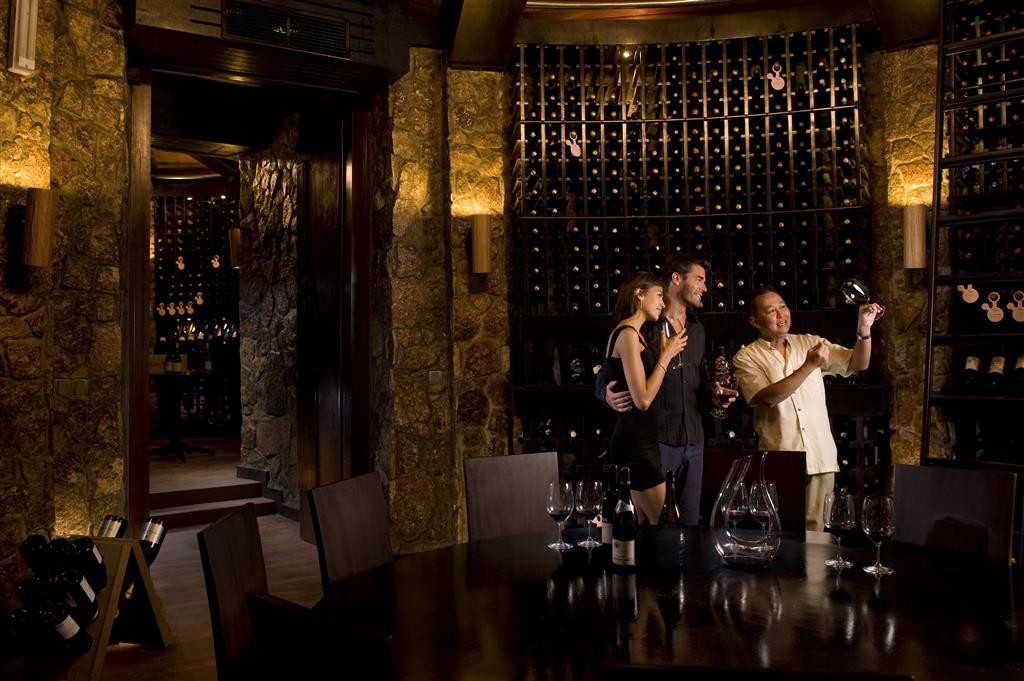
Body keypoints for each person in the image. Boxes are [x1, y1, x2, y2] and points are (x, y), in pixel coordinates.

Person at [732, 288, 882, 531]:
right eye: (771, 310)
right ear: (754, 321)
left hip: (819, 455)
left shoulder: (810, 342)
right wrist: (809, 366)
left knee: (815, 532)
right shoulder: (746, 357)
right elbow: (768, 397)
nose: (781, 314)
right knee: (779, 529)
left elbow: (858, 363)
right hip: (781, 456)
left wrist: (864, 330)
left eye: (782, 306)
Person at [604, 255, 738, 525]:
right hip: (658, 442)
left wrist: (713, 395)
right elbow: (609, 372)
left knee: (689, 525)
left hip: (694, 440)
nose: (705, 288)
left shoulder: (697, 329)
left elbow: (697, 380)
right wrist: (606, 395)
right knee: (657, 527)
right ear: (676, 279)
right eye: (699, 279)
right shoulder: (646, 326)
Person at [604, 271, 687, 524]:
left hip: (644, 442)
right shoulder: (628, 334)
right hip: (635, 445)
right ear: (639, 294)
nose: (662, 303)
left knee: (641, 531)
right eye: (658, 295)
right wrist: (666, 356)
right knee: (666, 525)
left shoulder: (638, 333)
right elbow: (643, 400)